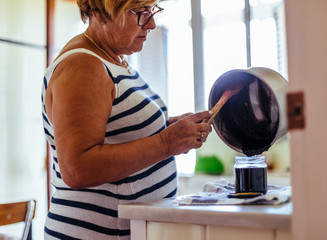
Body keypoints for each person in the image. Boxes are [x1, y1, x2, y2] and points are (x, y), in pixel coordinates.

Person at [41, 0, 212, 239]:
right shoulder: (83, 65)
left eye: (152, 10)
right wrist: (166, 143)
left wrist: (171, 128)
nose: (151, 23)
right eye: (141, 13)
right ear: (101, 12)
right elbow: (77, 168)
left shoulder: (114, 60)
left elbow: (117, 131)